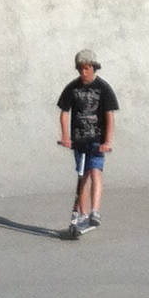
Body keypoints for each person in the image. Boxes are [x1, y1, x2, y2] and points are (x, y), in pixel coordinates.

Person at [56, 51, 118, 237]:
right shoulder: (72, 88)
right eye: (81, 69)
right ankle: (82, 215)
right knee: (82, 176)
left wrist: (107, 141)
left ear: (93, 68)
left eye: (87, 68)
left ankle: (94, 211)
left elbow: (109, 116)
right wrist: (66, 137)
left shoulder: (103, 88)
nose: (84, 72)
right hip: (79, 139)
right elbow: (64, 112)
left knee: (95, 172)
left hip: (97, 140)